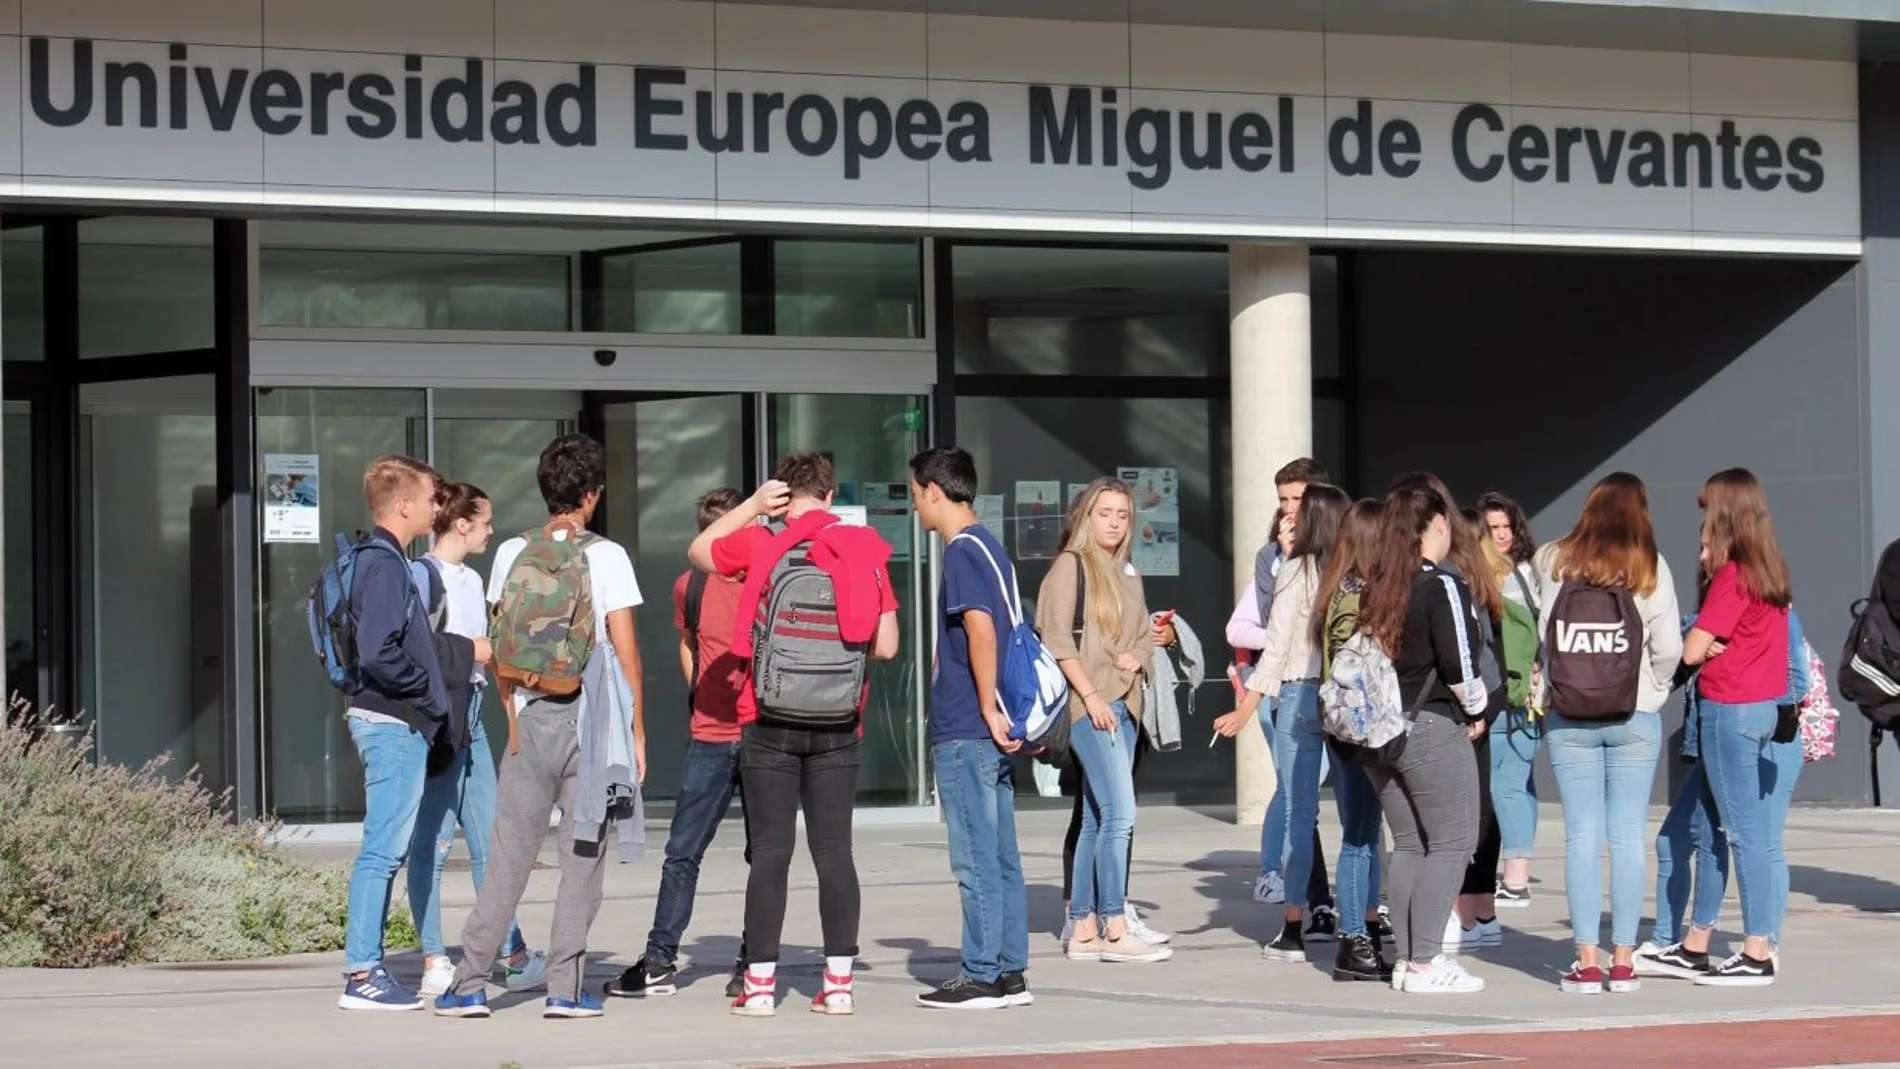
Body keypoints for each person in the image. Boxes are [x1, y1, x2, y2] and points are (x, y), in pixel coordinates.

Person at [436, 433, 646, 1020]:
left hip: (528, 718)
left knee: (509, 856)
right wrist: (636, 732)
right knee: (583, 855)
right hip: (593, 717)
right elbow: (626, 654)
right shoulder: (608, 555)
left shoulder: (509, 551)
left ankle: (470, 982)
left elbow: (501, 644)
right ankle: (565, 987)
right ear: (592, 494)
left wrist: (514, 719)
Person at [689, 454, 901, 1017]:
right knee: (834, 853)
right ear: (831, 496)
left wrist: (754, 508)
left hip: (766, 718)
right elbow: (886, 646)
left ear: (787, 495)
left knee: (772, 856)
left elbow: (698, 552)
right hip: (839, 724)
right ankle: (837, 987)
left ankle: (759, 988)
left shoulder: (762, 539)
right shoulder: (864, 548)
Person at [1531, 473, 1682, 995]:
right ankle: (1623, 961)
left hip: (1569, 716)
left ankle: (1586, 961)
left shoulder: (1552, 559)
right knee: (1625, 836)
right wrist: (1653, 691)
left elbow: (1542, 634)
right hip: (1633, 715)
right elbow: (1669, 648)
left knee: (1581, 836)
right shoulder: (1648, 565)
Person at [607, 489, 754, 1001]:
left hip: (762, 738)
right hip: (710, 737)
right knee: (682, 851)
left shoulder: (765, 577)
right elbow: (689, 640)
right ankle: (660, 959)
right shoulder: (689, 585)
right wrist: (698, 692)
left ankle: (754, 961)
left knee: (765, 856)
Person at [407, 482, 547, 999]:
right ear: (461, 524)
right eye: (485, 522)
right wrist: (473, 649)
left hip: (475, 716)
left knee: (494, 840)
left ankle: (508, 953)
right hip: (440, 720)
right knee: (434, 842)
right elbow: (415, 652)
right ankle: (432, 957)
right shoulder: (421, 578)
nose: (492, 530)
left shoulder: (472, 578)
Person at [908, 447, 1034, 1010]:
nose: (916, 508)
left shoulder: (961, 552)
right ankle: (1009, 971)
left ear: (934, 490)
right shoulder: (992, 546)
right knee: (1001, 852)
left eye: (915, 496)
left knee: (974, 854)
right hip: (995, 725)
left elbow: (980, 630)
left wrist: (984, 704)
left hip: (968, 724)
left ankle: (980, 972)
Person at [1357, 480, 1490, 994]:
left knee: (1410, 844)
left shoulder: (1377, 585)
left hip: (1378, 731)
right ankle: (1425, 962)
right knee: (1453, 843)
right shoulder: (1442, 587)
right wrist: (1477, 710)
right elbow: (1460, 663)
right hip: (1431, 724)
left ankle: (1408, 961)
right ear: (1436, 525)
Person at [1665, 468, 1795, 987]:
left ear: (1724, 516)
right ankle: (1697, 944)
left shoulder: (1732, 574)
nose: (1701, 524)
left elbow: (1694, 649)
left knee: (1742, 836)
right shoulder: (1770, 572)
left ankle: (1757, 950)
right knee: (1713, 827)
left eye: (1705, 512)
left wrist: (1700, 640)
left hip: (1730, 710)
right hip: (1760, 707)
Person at [1214, 484, 1352, 964]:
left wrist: (1245, 708)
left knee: (1299, 812)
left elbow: (1274, 651)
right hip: (1351, 702)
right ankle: (1361, 924)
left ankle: (1294, 926)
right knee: (1361, 817)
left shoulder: (1294, 571)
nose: (1290, 517)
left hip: (1298, 698)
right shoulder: (1357, 572)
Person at [1039, 476, 1170, 964]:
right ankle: (1116, 927)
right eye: (1105, 513)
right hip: (1088, 706)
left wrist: (1138, 656)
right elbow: (1056, 640)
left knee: (1097, 818)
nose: (1114, 522)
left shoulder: (1127, 572)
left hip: (1125, 704)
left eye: (1122, 515)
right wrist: (1091, 695)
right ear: (1086, 516)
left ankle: (1084, 927)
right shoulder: (1069, 566)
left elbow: (1143, 634)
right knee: (1121, 813)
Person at [337, 453, 450, 1011]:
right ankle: (362, 974)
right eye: (431, 498)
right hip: (392, 721)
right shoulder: (384, 563)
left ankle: (366, 969)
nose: (437, 506)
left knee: (385, 849)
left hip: (389, 718)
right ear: (404, 505)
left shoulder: (377, 558)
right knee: (382, 851)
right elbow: (379, 650)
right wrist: (427, 694)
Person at [1235, 459, 1339, 914]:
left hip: (1340, 690)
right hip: (1287, 688)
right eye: (1283, 500)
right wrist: (1284, 560)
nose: (1291, 508)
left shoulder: (1346, 549)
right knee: (1299, 798)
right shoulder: (1271, 558)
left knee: (1347, 802)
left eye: (1299, 498)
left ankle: (1356, 909)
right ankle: (1302, 898)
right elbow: (1255, 626)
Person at [1310, 498, 1393, 981]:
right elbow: (1351, 665)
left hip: (1348, 729)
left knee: (1364, 832)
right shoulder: (1355, 594)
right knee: (1359, 836)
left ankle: (1362, 928)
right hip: (1356, 730)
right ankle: (1352, 942)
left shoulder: (1340, 588)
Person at [1478, 490, 1542, 908]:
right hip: (1533, 691)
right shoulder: (1532, 572)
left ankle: (1515, 877)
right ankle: (1518, 868)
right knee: (1521, 780)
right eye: (1494, 528)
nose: (1502, 535)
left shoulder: (1502, 577)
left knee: (1506, 784)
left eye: (1507, 526)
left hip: (1510, 692)